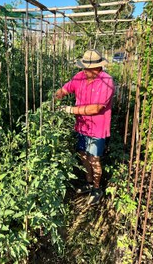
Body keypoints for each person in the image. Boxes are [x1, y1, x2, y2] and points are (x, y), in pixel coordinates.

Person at [55, 49, 114, 206]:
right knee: (82, 154)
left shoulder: (106, 81)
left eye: (90, 68)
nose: (86, 71)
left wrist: (70, 110)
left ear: (99, 67)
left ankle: (97, 189)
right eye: (85, 68)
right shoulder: (80, 77)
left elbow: (96, 108)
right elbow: (66, 89)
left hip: (97, 128)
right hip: (82, 126)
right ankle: (88, 183)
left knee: (94, 159)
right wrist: (56, 96)